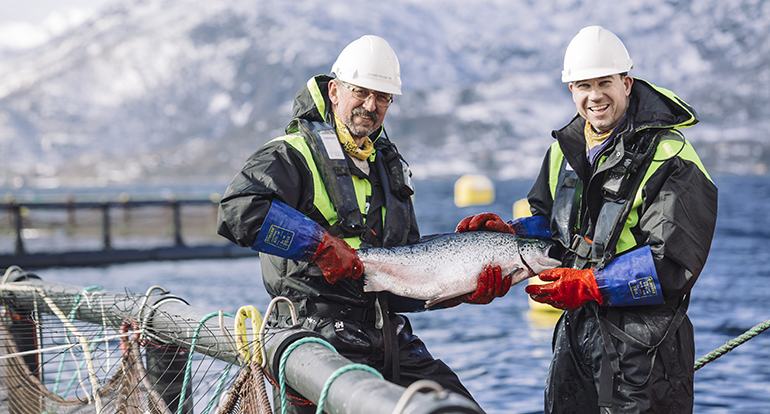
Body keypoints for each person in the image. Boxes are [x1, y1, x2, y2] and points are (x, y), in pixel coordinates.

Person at [217, 35, 507, 413]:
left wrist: (462, 287)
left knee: (457, 408)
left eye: (382, 97)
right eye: (361, 92)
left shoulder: (391, 168)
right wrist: (319, 245)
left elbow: (404, 276)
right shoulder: (291, 154)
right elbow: (238, 211)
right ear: (334, 91)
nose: (370, 106)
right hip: (312, 341)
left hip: (389, 338)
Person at [457, 26, 717, 413]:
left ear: (626, 83)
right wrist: (508, 236)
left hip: (647, 351)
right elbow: (551, 226)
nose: (594, 96)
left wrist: (592, 283)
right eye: (583, 85)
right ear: (571, 91)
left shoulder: (671, 155)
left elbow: (675, 263)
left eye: (604, 83)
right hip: (576, 337)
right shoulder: (564, 151)